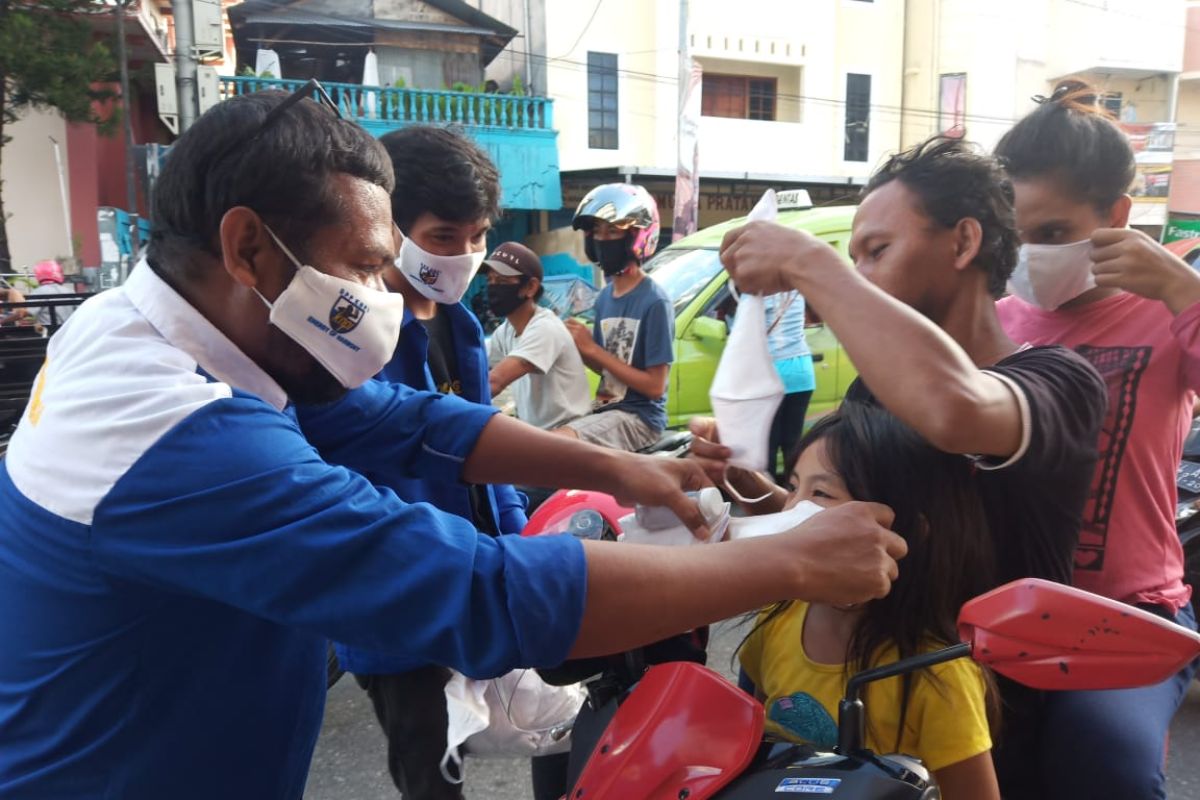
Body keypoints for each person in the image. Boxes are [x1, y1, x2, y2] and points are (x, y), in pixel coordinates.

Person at [0, 86, 909, 799]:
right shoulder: (168, 428)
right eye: (360, 266)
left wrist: (621, 466)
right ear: (249, 248)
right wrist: (788, 563)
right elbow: (476, 590)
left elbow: (400, 421)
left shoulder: (162, 330)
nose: (379, 296)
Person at [705, 136, 1108, 798]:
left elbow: (953, 410)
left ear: (963, 242)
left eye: (877, 251)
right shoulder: (880, 389)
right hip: (866, 715)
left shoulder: (1058, 381)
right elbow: (856, 527)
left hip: (984, 722)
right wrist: (763, 497)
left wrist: (810, 262)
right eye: (852, 255)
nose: (860, 273)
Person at [993, 80, 1200, 800]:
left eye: (1051, 234)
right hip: (999, 610)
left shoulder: (1166, 315)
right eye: (1013, 235)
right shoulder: (996, 321)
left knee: (1104, 766)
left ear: (1115, 216)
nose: (1029, 255)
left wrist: (1183, 292)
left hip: (1130, 613)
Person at [321, 124, 524, 800]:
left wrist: (517, 538)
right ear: (391, 228)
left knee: (513, 727)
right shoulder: (350, 337)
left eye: (478, 237)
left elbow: (486, 442)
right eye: (443, 237)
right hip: (401, 604)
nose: (464, 256)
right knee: (432, 774)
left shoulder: (459, 321)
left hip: (476, 576)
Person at [739, 401, 999, 800]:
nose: (791, 509)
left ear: (907, 532)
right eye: (793, 487)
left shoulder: (939, 677)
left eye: (821, 492)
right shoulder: (778, 619)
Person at [558, 183, 674, 451]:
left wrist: (594, 351)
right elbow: (608, 370)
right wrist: (580, 346)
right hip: (607, 409)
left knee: (559, 442)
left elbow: (656, 387)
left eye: (612, 231)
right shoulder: (605, 297)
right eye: (597, 232)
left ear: (636, 237)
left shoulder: (654, 301)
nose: (603, 240)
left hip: (640, 418)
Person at [485, 240, 591, 430]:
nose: (493, 288)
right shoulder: (506, 330)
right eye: (490, 280)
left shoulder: (545, 328)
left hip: (567, 433)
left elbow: (495, 381)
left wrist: (446, 414)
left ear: (530, 287)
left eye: (502, 281)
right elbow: (479, 366)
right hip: (538, 434)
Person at [763, 291, 815, 483]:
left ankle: (769, 498)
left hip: (772, 373)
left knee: (767, 443)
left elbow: (746, 334)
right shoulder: (796, 292)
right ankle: (795, 495)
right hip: (802, 371)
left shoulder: (757, 294)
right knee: (793, 442)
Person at [26, 259, 77, 330]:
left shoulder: (38, 292)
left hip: (50, 333)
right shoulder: (70, 291)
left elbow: (27, 312)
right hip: (69, 331)